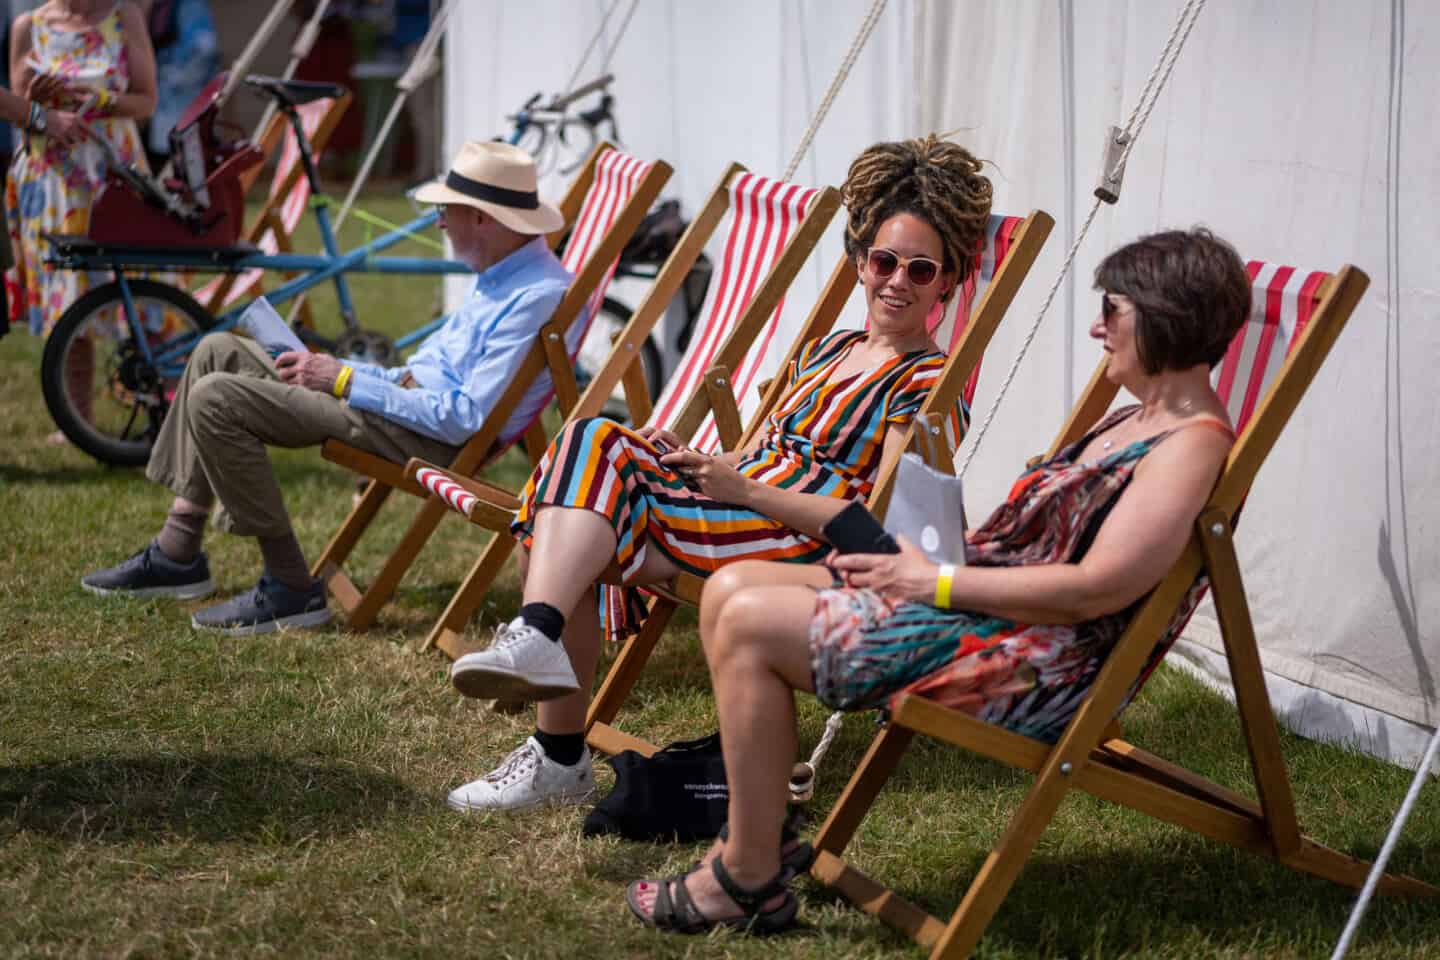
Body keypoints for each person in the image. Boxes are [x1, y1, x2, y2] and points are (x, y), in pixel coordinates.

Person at [623, 227, 1251, 934]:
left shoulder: (1189, 447)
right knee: (732, 589)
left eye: (1115, 308)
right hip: (983, 611)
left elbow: (1095, 589)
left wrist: (934, 583)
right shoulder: (1130, 418)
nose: (1097, 326)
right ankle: (757, 843)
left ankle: (744, 874)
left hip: (1033, 664)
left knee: (748, 623)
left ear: (1167, 316)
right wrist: (926, 565)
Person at [443, 135, 995, 814]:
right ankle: (546, 675)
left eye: (920, 269)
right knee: (587, 465)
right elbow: (756, 449)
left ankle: (550, 710)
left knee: (582, 469)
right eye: (884, 260)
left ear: (947, 280)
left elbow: (873, 523)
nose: (897, 281)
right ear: (859, 262)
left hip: (795, 539)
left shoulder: (928, 384)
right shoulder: (831, 348)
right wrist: (698, 459)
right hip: (736, 506)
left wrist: (743, 487)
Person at [79, 141, 571, 636]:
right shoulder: (504, 273)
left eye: (446, 211)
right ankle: (176, 551)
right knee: (217, 350)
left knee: (216, 399)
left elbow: (463, 417)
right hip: (407, 408)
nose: (439, 223)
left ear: (483, 218)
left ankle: (290, 585)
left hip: (430, 438)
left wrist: (344, 380)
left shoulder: (536, 296)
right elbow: (423, 373)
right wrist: (337, 369)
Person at [6, 0, 155, 442]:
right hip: (50, 178)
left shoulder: (124, 16)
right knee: (69, 296)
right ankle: (79, 418)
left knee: (135, 289)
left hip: (111, 171)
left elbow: (147, 101)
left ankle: (161, 405)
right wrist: (36, 102)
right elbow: (17, 103)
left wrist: (96, 99)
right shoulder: (27, 26)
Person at [139, 0, 218, 171]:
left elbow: (203, 48)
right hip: (153, 106)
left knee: (180, 169)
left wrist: (165, 75)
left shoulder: (189, 5)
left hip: (177, 102)